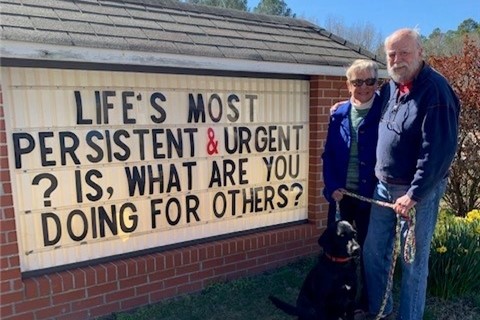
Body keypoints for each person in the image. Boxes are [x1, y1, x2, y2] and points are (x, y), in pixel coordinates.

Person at [362, 28, 460, 320]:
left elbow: (437, 153)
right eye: (391, 54)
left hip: (416, 193)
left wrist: (414, 194)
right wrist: (347, 107)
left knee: (412, 263)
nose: (397, 59)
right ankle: (381, 311)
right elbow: (370, 105)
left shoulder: (436, 91)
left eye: (404, 52)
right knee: (373, 252)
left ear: (420, 52)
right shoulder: (392, 86)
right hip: (383, 187)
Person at [322, 59, 383, 316]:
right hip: (342, 194)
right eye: (357, 82)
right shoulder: (338, 114)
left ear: (377, 83)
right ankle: (333, 295)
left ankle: (364, 303)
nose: (364, 87)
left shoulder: (386, 109)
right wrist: (332, 187)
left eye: (370, 81)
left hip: (371, 196)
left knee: (369, 251)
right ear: (348, 85)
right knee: (335, 248)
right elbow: (329, 155)